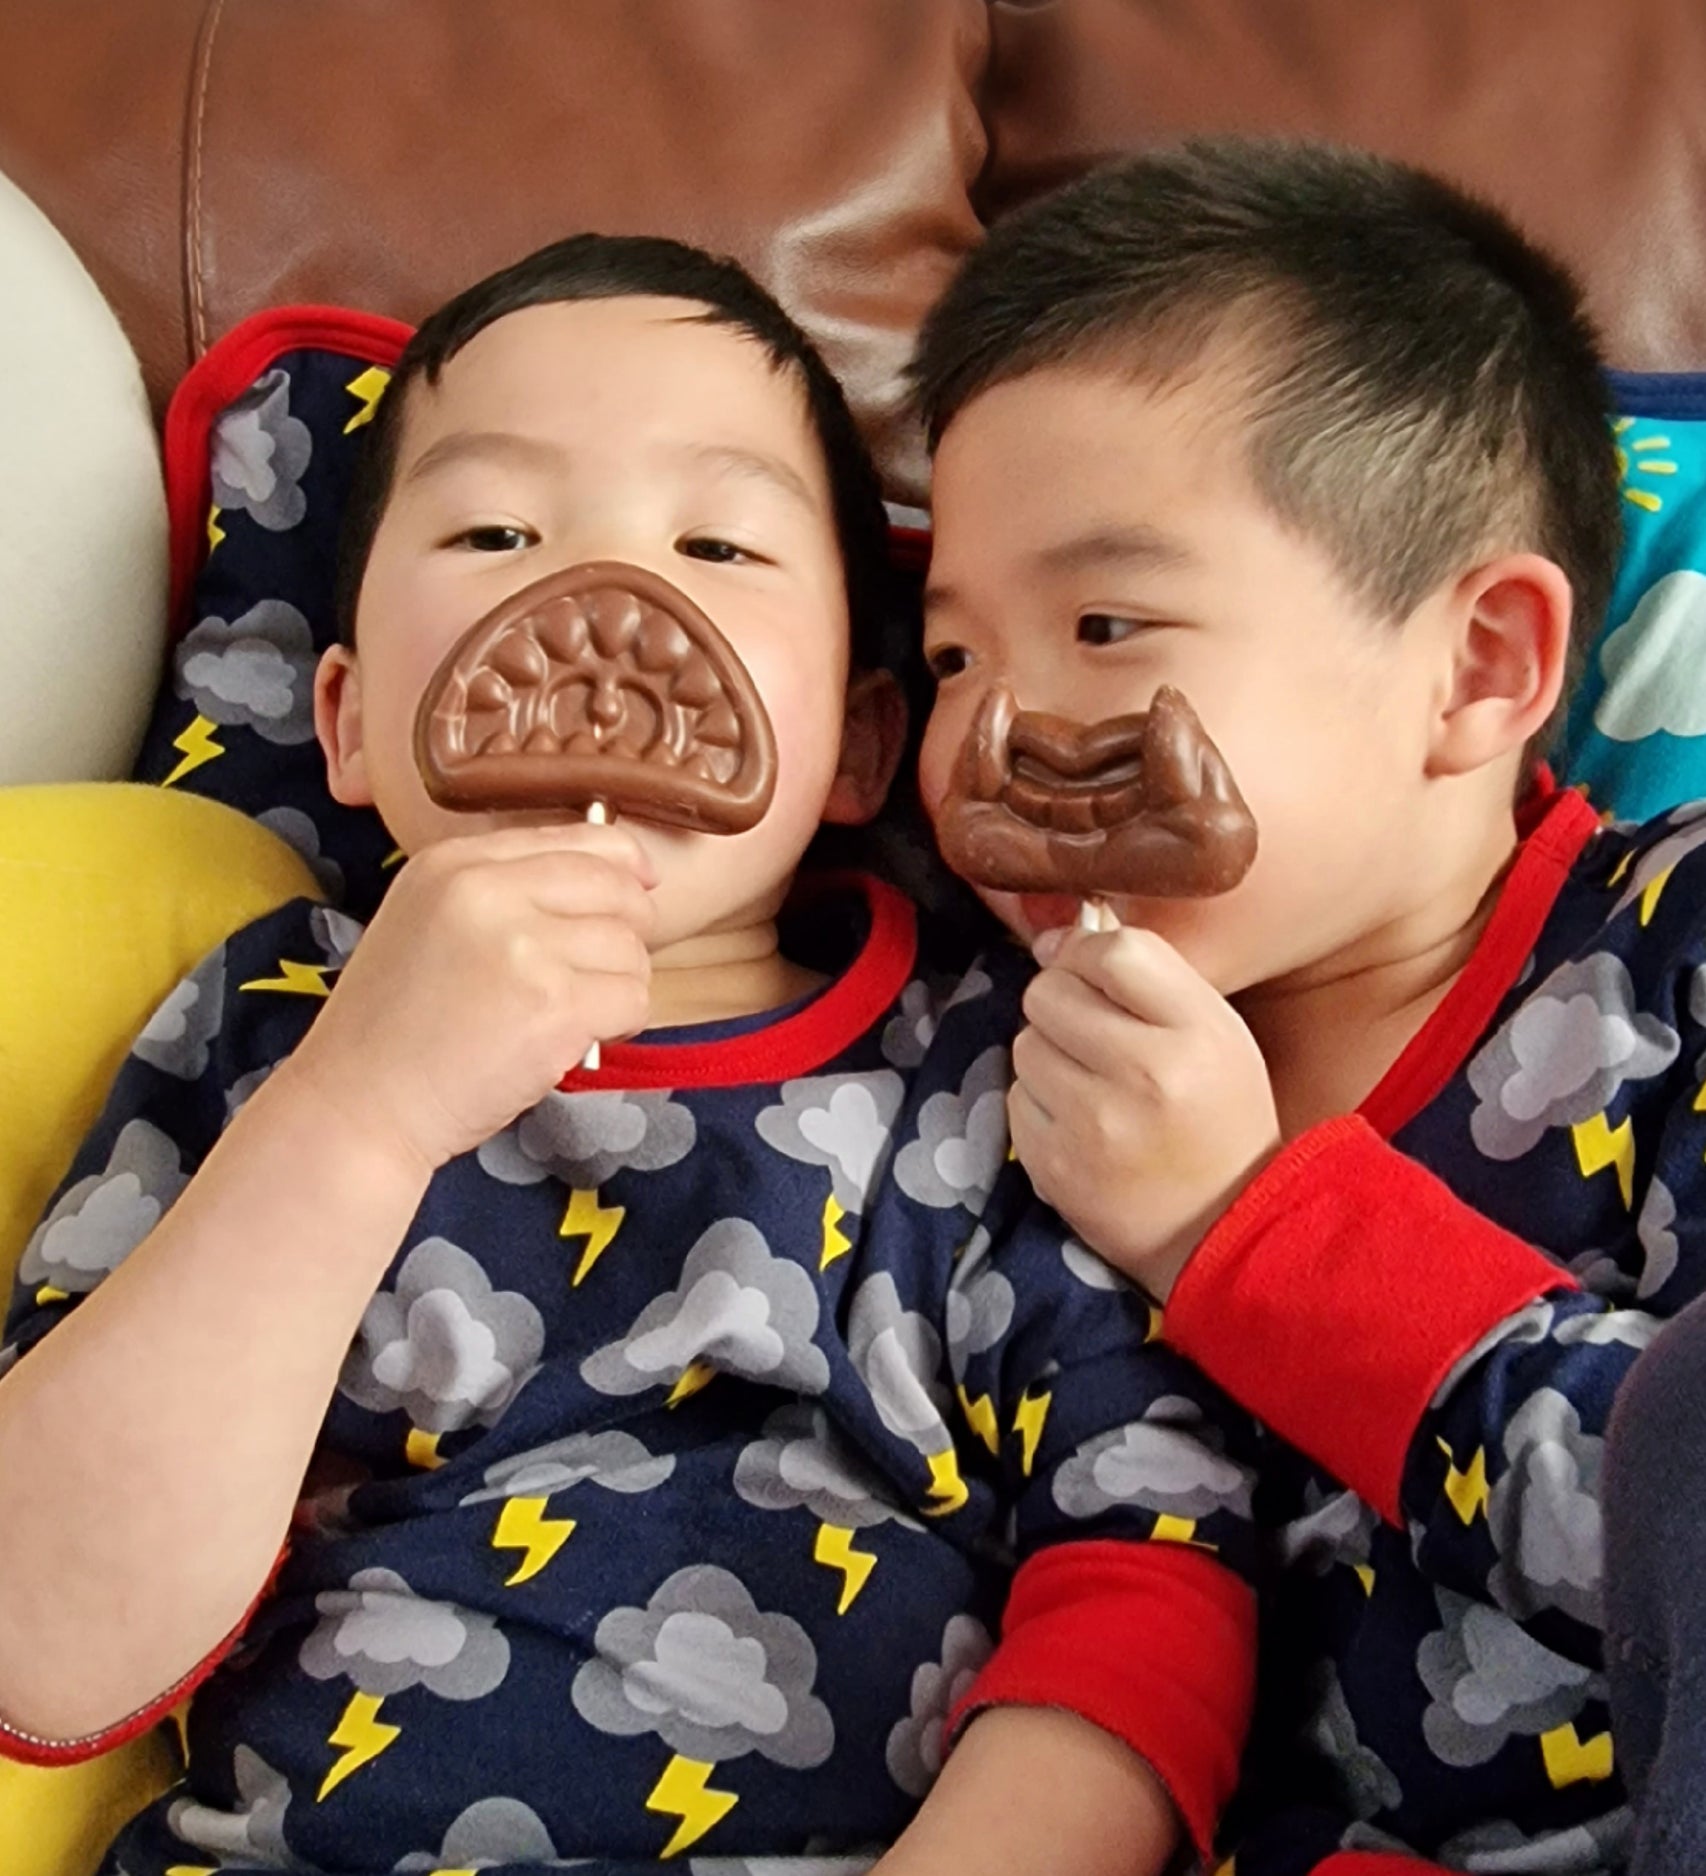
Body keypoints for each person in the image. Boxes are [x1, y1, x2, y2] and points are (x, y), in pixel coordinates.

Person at [0, 234, 1259, 1876]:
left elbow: (1155, 1559)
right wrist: (359, 1113)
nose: (603, 609)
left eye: (720, 541)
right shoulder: (261, 1030)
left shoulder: (991, 1074)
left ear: (862, 744)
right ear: (353, 720)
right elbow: (47, 1645)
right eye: (495, 531)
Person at [909, 139, 1682, 1874]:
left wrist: (1241, 1234)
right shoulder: (966, 1071)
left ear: (1476, 666)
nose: (988, 739)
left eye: (1106, 621)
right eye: (952, 653)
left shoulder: (1671, 952)